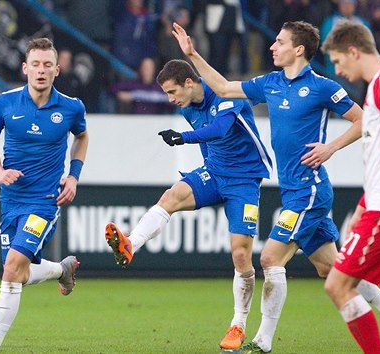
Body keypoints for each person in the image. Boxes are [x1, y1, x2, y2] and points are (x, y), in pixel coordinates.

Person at [171, 20, 380, 354]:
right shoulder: (269, 83)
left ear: (299, 49)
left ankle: (262, 341)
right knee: (334, 269)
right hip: (292, 190)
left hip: (309, 192)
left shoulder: (322, 87)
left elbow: (361, 119)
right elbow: (225, 88)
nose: (272, 46)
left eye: (280, 42)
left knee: (270, 257)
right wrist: (193, 55)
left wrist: (331, 147)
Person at [104, 59, 273, 351]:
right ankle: (131, 243)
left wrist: (183, 138)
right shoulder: (186, 107)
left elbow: (219, 130)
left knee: (240, 255)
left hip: (244, 180)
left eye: (172, 92)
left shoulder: (224, 93)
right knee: (170, 197)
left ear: (189, 83)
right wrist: (207, 168)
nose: (171, 99)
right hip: (216, 172)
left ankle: (238, 324)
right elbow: (210, 143)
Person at [0, 37, 88, 354]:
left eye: (47, 65)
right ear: (25, 68)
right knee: (18, 273)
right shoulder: (4, 103)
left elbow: (82, 137)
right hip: (11, 199)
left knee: (12, 267)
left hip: (45, 201)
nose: (41, 71)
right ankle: (61, 270)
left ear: (58, 69)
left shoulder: (71, 107)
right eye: (35, 65)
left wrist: (74, 176)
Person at [321, 20, 380, 354]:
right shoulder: (374, 90)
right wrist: (364, 202)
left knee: (338, 285)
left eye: (337, 61)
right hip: (374, 206)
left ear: (354, 51)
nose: (337, 69)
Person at [110, 57, 176, 114]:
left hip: (156, 121)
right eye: (145, 67)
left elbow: (173, 102)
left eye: (149, 68)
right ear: (141, 69)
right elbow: (113, 88)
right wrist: (123, 95)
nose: (147, 70)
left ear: (154, 69)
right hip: (136, 120)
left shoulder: (161, 87)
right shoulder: (134, 84)